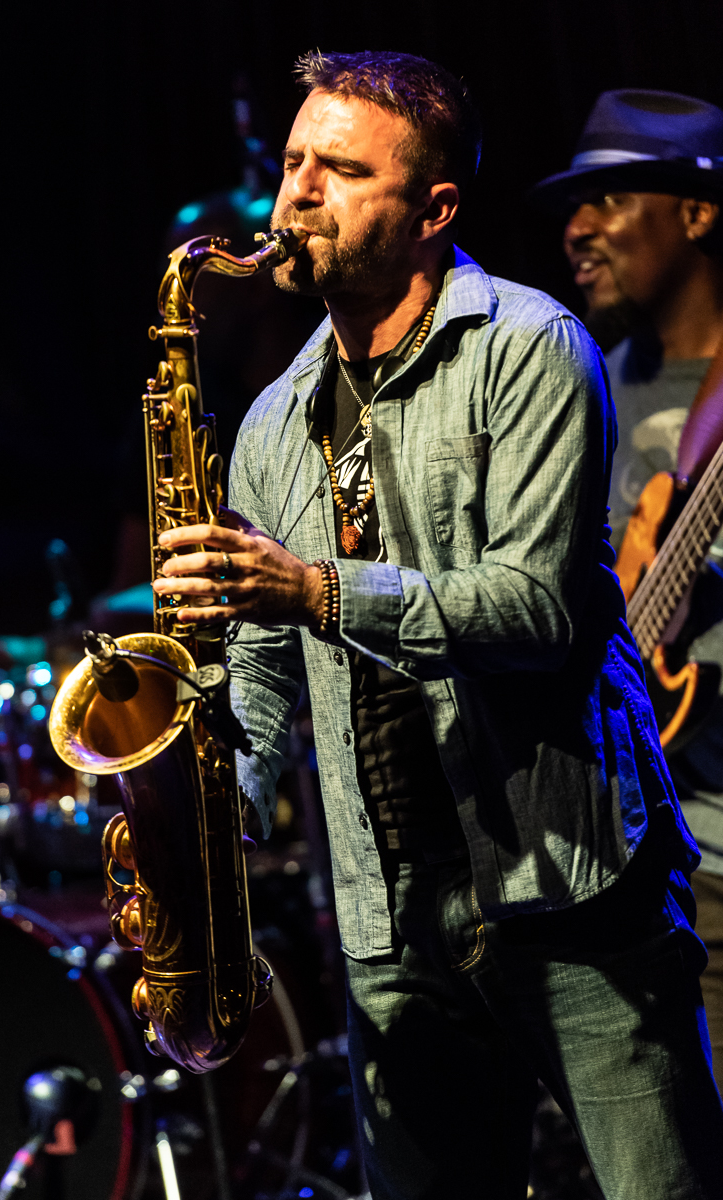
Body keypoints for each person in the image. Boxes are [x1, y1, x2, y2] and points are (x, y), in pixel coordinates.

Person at [155, 53, 723, 1198]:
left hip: (570, 895)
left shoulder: (529, 347)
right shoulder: (268, 424)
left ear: (433, 209)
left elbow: (543, 607)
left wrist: (317, 589)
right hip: (389, 929)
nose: (296, 193)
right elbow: (264, 685)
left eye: (341, 170)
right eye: (293, 163)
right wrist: (201, 804)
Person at [531, 88, 723, 1098]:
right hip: (650, 872)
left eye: (607, 199)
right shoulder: (585, 383)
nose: (574, 227)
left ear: (696, 213)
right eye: (572, 205)